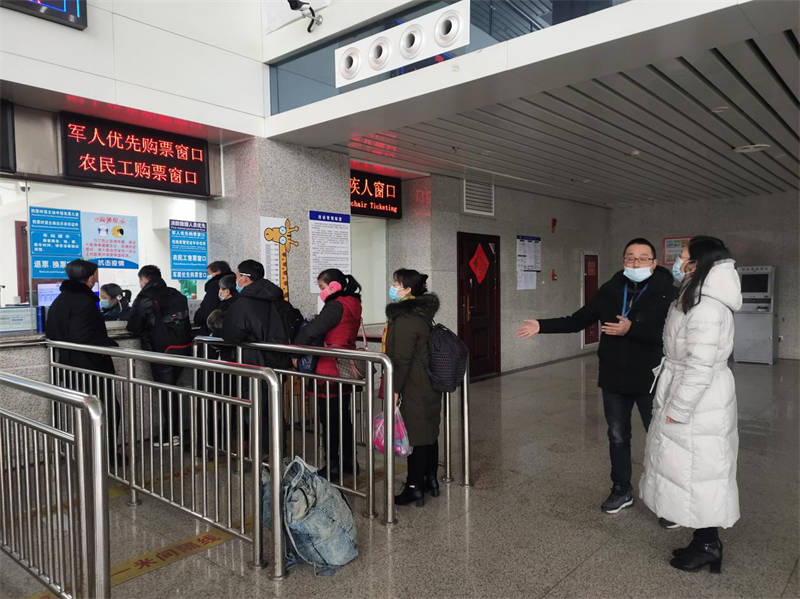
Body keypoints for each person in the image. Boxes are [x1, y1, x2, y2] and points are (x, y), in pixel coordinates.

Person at [517, 238, 677, 517]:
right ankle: (621, 489)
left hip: (651, 378)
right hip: (614, 377)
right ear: (623, 260)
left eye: (642, 258)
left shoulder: (669, 294)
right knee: (617, 436)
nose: (635, 262)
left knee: (660, 438)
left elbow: (671, 337)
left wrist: (632, 329)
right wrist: (541, 325)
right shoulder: (611, 289)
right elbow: (577, 321)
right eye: (630, 257)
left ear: (654, 263)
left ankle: (668, 500)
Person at [640, 236, 741, 573]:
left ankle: (709, 544)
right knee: (692, 469)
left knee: (700, 470)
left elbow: (699, 368)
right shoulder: (694, 296)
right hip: (689, 390)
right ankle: (703, 540)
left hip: (698, 400)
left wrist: (678, 410)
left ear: (699, 264)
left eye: (682, 257)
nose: (677, 262)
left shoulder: (706, 308)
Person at [46, 259, 120, 461]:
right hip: (91, 367)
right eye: (95, 274)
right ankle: (106, 455)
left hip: (69, 367)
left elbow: (52, 333)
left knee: (86, 412)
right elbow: (84, 336)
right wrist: (109, 344)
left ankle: (88, 453)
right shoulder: (85, 302)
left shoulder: (60, 300)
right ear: (90, 278)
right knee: (108, 410)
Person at [293, 269, 363, 481]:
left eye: (322, 287)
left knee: (329, 419)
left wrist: (295, 351)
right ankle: (350, 461)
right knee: (343, 417)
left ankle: (332, 465)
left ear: (334, 286)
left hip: (329, 367)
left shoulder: (335, 306)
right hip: (346, 365)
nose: (321, 292)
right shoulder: (353, 302)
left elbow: (311, 331)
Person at [385, 268, 441, 507]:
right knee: (428, 432)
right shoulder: (422, 313)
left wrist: (395, 389)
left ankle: (413, 487)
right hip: (428, 381)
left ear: (408, 289)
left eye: (397, 284)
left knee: (416, 435)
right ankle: (430, 480)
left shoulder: (406, 318)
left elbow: (402, 358)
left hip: (414, 384)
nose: (393, 287)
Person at [223, 260, 290, 454]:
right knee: (274, 407)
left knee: (254, 408)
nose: (236, 280)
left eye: (237, 276)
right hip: (278, 361)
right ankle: (279, 450)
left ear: (246, 278)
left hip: (253, 363)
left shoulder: (243, 303)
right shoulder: (277, 298)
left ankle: (263, 452)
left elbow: (232, 334)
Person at [127, 265, 192, 447]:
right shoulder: (175, 293)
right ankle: (176, 430)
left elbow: (134, 326)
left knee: (166, 392)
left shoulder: (145, 297)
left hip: (161, 350)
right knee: (172, 390)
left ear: (144, 279)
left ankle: (171, 434)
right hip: (183, 348)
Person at [194, 261, 232, 335]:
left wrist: (198, 318)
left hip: (215, 327)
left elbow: (206, 309)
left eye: (209, 273)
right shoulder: (233, 282)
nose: (208, 276)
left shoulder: (215, 285)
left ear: (218, 272)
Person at [206, 273, 238, 340]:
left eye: (221, 288)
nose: (219, 291)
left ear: (227, 291)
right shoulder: (241, 302)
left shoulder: (224, 305)